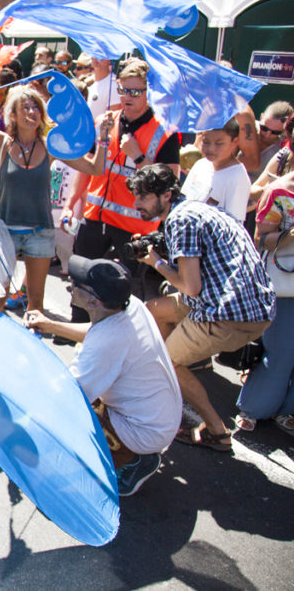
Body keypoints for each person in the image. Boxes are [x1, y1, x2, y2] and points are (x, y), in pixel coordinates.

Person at [129, 164, 274, 452]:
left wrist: (155, 261)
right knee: (152, 310)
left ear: (167, 195)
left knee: (166, 362)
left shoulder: (180, 220)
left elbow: (190, 286)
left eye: (143, 197)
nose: (136, 204)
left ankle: (217, 431)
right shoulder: (198, 207)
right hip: (253, 304)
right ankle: (163, 389)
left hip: (227, 312)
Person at [25, 257, 181, 496]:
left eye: (78, 283)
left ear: (94, 300)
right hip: (159, 417)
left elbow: (68, 399)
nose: (70, 281)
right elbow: (98, 330)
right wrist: (51, 325)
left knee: (61, 430)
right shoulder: (131, 306)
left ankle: (132, 460)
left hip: (143, 431)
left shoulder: (107, 343)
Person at [71, 58, 181, 320]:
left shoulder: (164, 132)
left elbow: (170, 185)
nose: (127, 96)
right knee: (82, 279)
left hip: (134, 225)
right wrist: (71, 202)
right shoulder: (105, 121)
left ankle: (122, 341)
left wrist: (139, 156)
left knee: (124, 291)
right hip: (95, 216)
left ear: (148, 93)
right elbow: (88, 167)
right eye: (123, 89)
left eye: (135, 91)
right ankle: (77, 333)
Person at [0, 85, 108, 314]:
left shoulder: (50, 145)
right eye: (26, 108)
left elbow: (95, 168)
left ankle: (33, 339)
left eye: (36, 108)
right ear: (13, 114)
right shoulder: (2, 142)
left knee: (35, 304)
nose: (32, 112)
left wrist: (103, 139)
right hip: (4, 231)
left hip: (39, 232)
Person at [235, 170, 294, 434]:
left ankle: (287, 409)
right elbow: (262, 239)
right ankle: (255, 407)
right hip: (286, 289)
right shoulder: (280, 191)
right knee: (281, 352)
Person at [180, 118, 250, 221]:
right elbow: (183, 202)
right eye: (206, 142)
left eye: (219, 143)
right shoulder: (200, 165)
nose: (211, 149)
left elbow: (233, 224)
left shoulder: (237, 177)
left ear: (235, 141)